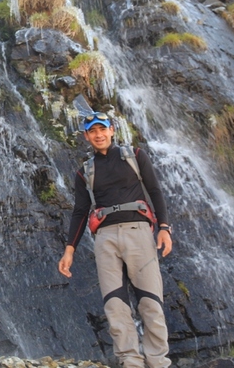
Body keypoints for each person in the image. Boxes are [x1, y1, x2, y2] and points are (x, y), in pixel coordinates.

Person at [58, 112, 173, 368]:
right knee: (115, 304)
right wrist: (69, 250)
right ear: (86, 136)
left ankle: (158, 361)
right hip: (105, 238)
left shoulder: (135, 156)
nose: (98, 135)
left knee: (150, 300)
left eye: (102, 129)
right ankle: (130, 361)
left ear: (112, 130)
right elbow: (80, 211)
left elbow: (155, 190)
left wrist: (164, 227)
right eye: (92, 131)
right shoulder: (84, 171)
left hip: (139, 231)